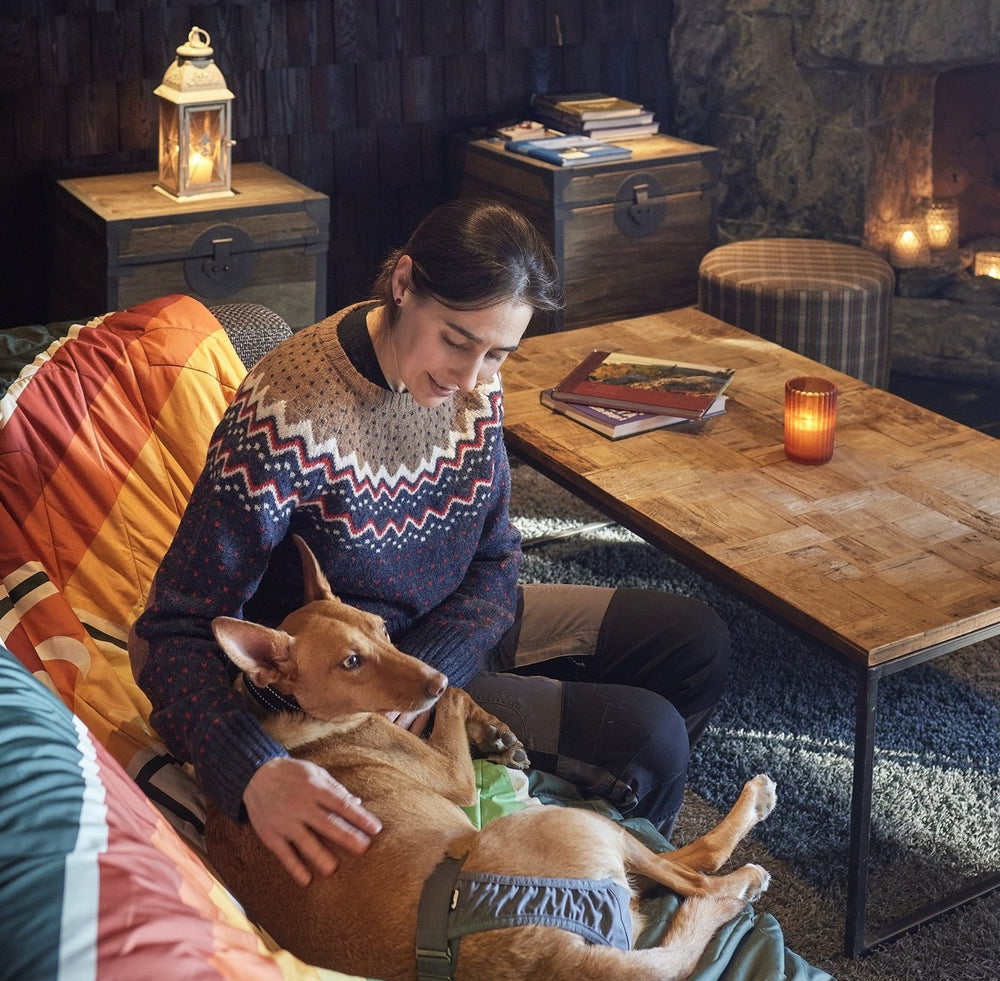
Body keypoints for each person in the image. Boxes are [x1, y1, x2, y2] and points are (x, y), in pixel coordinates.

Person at [129, 199, 730, 888]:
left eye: (497, 353)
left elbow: (499, 557)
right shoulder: (285, 415)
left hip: (449, 638)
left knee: (696, 641)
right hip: (363, 670)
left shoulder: (476, 386)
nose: (470, 377)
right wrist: (252, 768)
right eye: (456, 340)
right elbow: (172, 627)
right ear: (404, 283)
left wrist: (430, 671)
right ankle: (593, 899)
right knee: (650, 739)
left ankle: (580, 841)